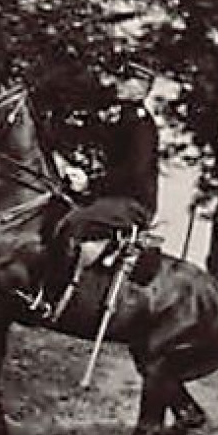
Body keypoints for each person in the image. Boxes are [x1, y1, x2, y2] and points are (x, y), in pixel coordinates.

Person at [37, 71, 164, 320]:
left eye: (128, 80)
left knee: (73, 224)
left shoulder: (142, 126)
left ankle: (52, 300)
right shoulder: (118, 118)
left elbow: (133, 172)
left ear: (142, 90)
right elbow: (85, 136)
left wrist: (90, 183)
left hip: (132, 204)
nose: (120, 84)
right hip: (108, 197)